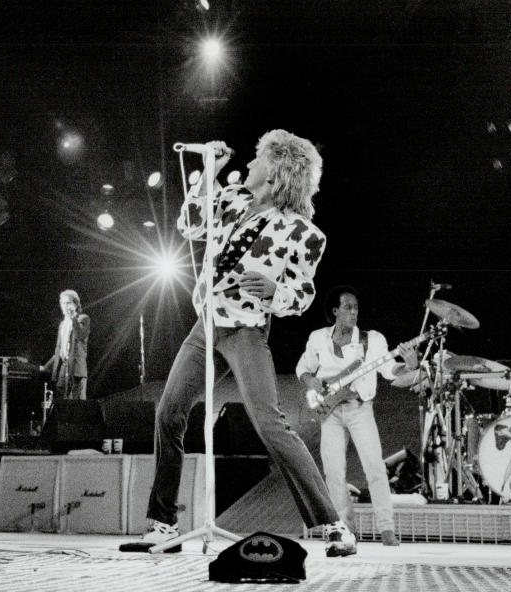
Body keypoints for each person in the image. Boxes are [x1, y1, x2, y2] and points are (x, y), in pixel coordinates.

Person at [123, 129, 355, 557]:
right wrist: (206, 175)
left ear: (276, 172)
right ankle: (162, 524)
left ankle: (332, 524)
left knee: (268, 422)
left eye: (257, 159)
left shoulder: (304, 233)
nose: (248, 164)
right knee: (169, 411)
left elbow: (302, 296)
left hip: (246, 329)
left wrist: (275, 290)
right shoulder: (231, 200)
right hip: (205, 326)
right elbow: (189, 225)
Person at [296, 286, 420, 548]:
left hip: (360, 409)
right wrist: (313, 383)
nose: (354, 312)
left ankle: (387, 529)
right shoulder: (318, 338)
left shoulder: (372, 340)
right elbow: (303, 369)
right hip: (330, 412)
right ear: (335, 311)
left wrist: (408, 365)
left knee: (375, 468)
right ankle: (344, 530)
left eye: (356, 308)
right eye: (348, 307)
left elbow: (389, 371)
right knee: (333, 472)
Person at [40, 290, 91, 400]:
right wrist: (45, 367)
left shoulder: (83, 319)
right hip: (64, 367)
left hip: (76, 368)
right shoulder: (62, 324)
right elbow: (58, 351)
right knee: (60, 395)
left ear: (76, 304)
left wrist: (73, 318)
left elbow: (80, 335)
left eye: (68, 303)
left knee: (76, 404)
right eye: (63, 303)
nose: (65, 306)